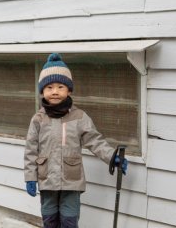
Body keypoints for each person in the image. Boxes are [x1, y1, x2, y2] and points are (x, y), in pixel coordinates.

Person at [24, 53, 128, 228]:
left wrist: (112, 157)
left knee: (69, 220)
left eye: (60, 86)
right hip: (47, 179)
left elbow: (95, 140)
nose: (55, 91)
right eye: (49, 87)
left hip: (71, 180)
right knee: (49, 219)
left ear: (69, 90)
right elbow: (30, 149)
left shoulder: (79, 117)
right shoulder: (38, 119)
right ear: (42, 91)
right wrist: (30, 177)